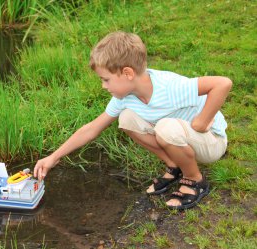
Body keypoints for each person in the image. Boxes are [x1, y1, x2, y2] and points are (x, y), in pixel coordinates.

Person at [33, 31, 232, 209]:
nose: (103, 86)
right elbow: (92, 128)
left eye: (106, 79)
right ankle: (175, 164)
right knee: (127, 118)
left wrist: (202, 122)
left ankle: (194, 179)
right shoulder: (125, 97)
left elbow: (222, 84)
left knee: (166, 128)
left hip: (210, 142)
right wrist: (53, 157)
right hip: (180, 137)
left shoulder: (170, 87)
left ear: (127, 73)